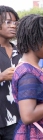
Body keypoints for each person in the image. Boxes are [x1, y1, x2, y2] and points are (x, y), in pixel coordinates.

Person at [0, 5, 21, 140]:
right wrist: (1, 77)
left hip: (15, 120)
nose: (13, 26)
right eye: (8, 22)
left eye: (15, 23)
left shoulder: (19, 51)